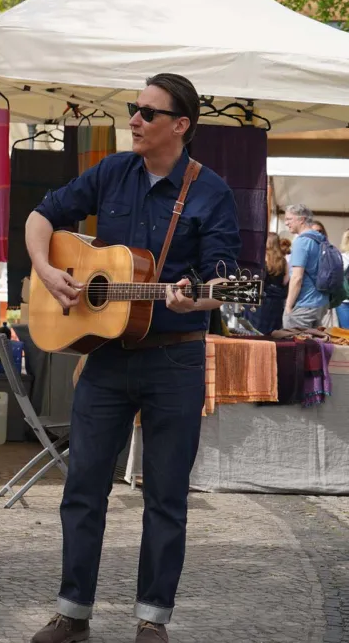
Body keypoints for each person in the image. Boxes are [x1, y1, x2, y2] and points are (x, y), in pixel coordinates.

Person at [25, 74, 240, 643]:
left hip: (175, 360)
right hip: (106, 357)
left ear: (181, 125)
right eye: (133, 108)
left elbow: (222, 281)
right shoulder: (113, 171)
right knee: (83, 488)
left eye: (147, 112)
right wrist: (48, 272)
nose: (135, 119)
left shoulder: (211, 191)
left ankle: (153, 621)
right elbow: (41, 217)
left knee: (165, 496)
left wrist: (192, 293)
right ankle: (72, 614)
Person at [282, 204, 328, 330]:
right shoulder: (321, 239)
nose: (286, 223)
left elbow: (297, 278)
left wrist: (288, 307)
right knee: (313, 347)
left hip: (304, 304)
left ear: (301, 219)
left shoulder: (302, 242)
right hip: (321, 303)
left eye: (289, 219)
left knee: (295, 345)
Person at [249, 232, 289, 335]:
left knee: (255, 331)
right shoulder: (283, 261)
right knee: (272, 332)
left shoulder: (261, 258)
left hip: (261, 301)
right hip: (277, 302)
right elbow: (285, 281)